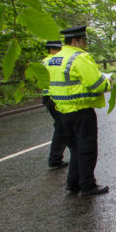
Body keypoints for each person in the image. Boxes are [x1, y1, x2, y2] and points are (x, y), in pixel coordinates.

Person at [44, 25, 111, 196]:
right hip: (81, 110)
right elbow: (98, 85)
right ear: (75, 41)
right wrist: (107, 80)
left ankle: (73, 183)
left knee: (75, 148)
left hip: (61, 111)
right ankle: (88, 185)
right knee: (87, 148)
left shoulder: (52, 59)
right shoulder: (79, 58)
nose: (85, 45)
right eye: (84, 41)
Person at [42, 40, 68, 170]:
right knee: (61, 128)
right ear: (52, 49)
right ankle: (55, 159)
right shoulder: (57, 61)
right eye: (58, 49)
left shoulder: (44, 62)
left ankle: (56, 158)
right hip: (56, 98)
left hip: (48, 98)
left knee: (62, 127)